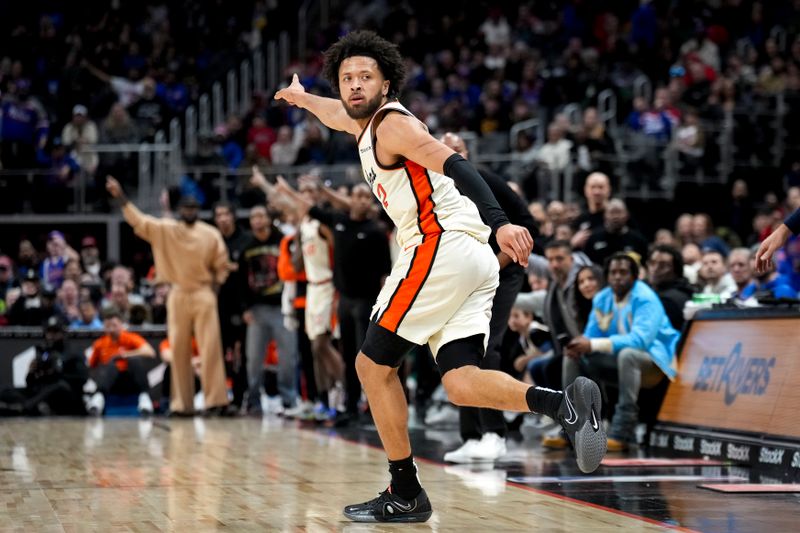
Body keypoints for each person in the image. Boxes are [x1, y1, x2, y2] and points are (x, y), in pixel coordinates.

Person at [274, 30, 605, 523]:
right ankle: (564, 408)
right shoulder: (361, 122)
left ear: (387, 85)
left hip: (440, 246)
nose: (354, 86)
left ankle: (404, 490)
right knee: (461, 381)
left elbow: (456, 166)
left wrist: (502, 222)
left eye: (366, 76)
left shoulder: (391, 127)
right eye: (347, 78)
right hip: (469, 260)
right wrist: (301, 98)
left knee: (371, 367)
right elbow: (334, 113)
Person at [438, 131, 538, 463]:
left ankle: (495, 433)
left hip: (501, 272)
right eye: (445, 150)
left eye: (459, 151)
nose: (452, 156)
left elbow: (526, 222)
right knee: (461, 352)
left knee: (487, 346)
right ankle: (471, 436)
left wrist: (495, 264)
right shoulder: (436, 189)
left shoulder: (487, 180)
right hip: (463, 277)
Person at [105, 177, 234, 416]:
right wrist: (121, 196)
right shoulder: (167, 230)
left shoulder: (210, 233)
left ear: (198, 211)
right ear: (179, 210)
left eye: (193, 208)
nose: (189, 211)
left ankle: (216, 401)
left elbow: (222, 266)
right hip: (177, 292)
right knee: (179, 349)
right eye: (186, 208)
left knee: (211, 347)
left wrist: (213, 291)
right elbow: (138, 220)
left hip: (203, 291)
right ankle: (181, 404)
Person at [564, 253, 680, 451]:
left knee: (628, 354)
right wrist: (579, 344)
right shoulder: (602, 298)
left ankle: (623, 430)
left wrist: (593, 344)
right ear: (607, 277)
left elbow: (640, 340)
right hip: (620, 360)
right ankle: (573, 424)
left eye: (623, 272)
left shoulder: (645, 298)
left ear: (634, 276)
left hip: (655, 361)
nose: (618, 277)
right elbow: (590, 336)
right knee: (573, 356)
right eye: (613, 273)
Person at [239, 205, 298, 415]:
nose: (257, 220)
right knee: (253, 359)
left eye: (261, 216)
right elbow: (241, 281)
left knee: (288, 357)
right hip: (256, 309)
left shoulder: (282, 240)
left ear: (268, 219)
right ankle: (253, 400)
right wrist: (244, 308)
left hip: (282, 307)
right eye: (253, 216)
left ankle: (289, 400)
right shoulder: (246, 246)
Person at [86, 308, 156, 415]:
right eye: (108, 326)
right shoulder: (100, 343)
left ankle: (144, 399)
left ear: (121, 325)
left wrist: (127, 354)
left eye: (114, 325)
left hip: (131, 380)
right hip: (111, 382)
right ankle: (97, 400)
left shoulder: (130, 337)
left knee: (135, 360)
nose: (111, 329)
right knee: (110, 363)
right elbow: (91, 365)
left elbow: (150, 352)